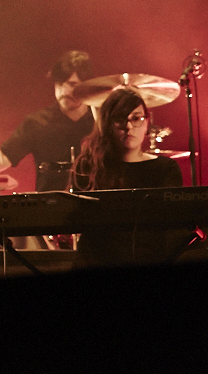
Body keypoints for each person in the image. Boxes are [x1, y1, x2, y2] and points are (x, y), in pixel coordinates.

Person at [70, 86, 185, 266]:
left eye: (136, 118)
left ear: (147, 122)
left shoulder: (165, 169)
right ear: (107, 123)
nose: (129, 126)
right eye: (119, 118)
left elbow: (172, 226)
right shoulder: (88, 165)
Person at [0, 50, 96, 192]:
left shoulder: (100, 121)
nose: (64, 91)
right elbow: (3, 158)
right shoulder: (37, 122)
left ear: (87, 85)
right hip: (50, 204)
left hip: (97, 202)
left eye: (72, 84)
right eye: (59, 84)